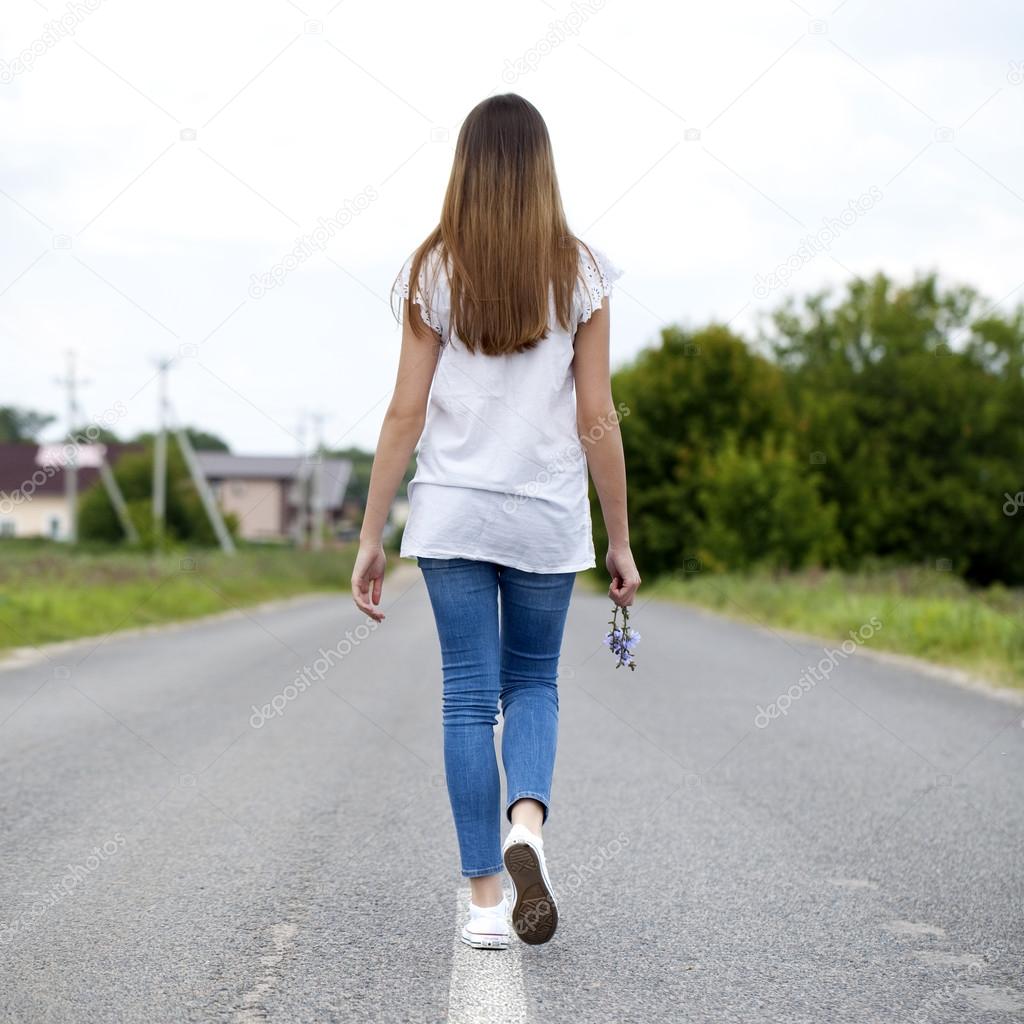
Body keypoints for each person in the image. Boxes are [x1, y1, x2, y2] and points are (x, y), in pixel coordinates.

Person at [351, 93, 640, 949]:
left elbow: (405, 413)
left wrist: (371, 534)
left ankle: (484, 901)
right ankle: (527, 826)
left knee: (468, 699)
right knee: (535, 684)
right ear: (542, 168)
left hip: (452, 514)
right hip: (546, 514)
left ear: (466, 168)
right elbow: (598, 415)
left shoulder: (431, 270)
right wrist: (618, 534)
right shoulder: (581, 273)